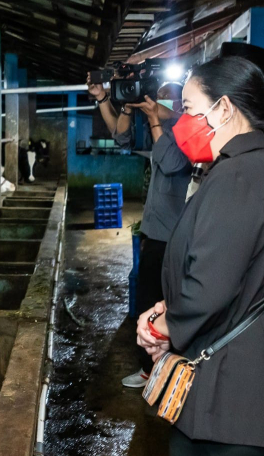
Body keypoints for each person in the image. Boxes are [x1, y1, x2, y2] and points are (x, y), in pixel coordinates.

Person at [136, 56, 264, 456]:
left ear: (222, 108)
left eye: (188, 107)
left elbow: (208, 289)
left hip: (233, 400)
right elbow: (236, 274)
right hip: (252, 399)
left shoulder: (238, 178)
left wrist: (161, 325)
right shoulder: (255, 169)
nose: (181, 120)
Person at [87, 77, 192, 388]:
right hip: (156, 230)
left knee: (172, 304)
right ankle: (150, 369)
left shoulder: (186, 131)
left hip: (177, 232)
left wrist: (155, 118)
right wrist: (107, 99)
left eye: (167, 99)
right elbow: (120, 138)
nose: (158, 104)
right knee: (149, 301)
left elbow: (170, 163)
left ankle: (174, 369)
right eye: (157, 98)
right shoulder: (157, 125)